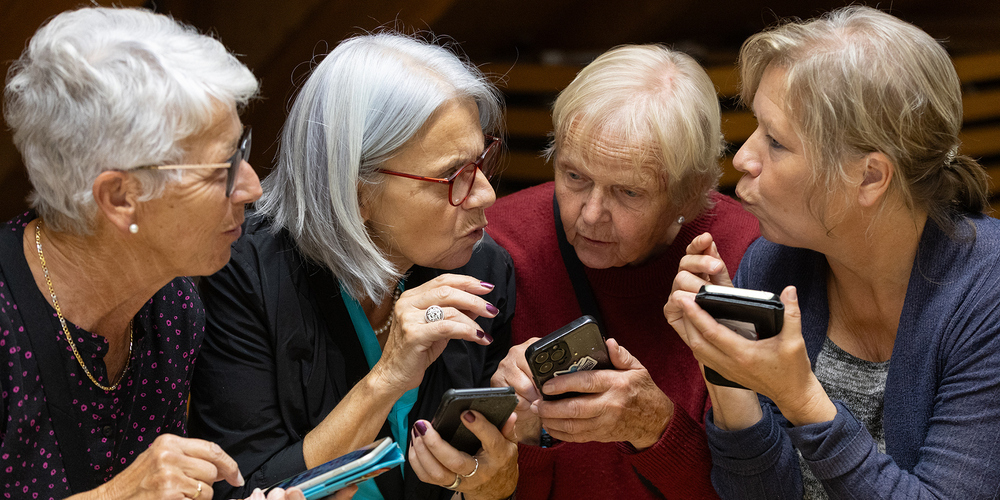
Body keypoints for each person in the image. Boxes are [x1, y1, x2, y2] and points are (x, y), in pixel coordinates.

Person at [0, 7, 341, 500]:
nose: (252, 188)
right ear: (120, 198)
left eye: (241, 151)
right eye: (222, 168)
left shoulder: (173, 306)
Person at [666, 6, 1000, 499]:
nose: (742, 158)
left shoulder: (986, 296)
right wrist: (728, 371)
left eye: (776, 142)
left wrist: (800, 396)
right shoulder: (774, 264)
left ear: (869, 177)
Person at [188, 32, 518, 500]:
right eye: (452, 175)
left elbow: (471, 478)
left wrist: (497, 482)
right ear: (356, 192)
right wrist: (387, 379)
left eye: (482, 159)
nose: (485, 194)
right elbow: (243, 488)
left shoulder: (481, 267)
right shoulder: (242, 274)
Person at [487, 44, 759, 499]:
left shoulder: (747, 256)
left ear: (689, 193)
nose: (591, 215)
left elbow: (760, 489)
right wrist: (521, 435)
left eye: (628, 192)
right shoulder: (499, 246)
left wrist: (657, 428)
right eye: (574, 177)